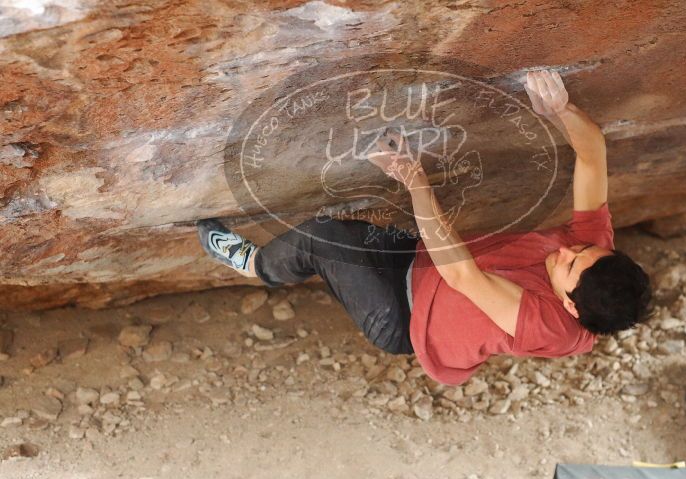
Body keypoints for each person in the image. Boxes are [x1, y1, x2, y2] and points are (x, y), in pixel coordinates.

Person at [197, 69, 652, 386]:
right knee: (343, 228)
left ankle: (257, 265)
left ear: (571, 308)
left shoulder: (552, 327)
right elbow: (593, 152)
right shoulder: (594, 257)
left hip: (407, 316)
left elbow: (461, 276)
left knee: (325, 237)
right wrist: (560, 109)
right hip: (420, 260)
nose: (568, 251)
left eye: (569, 267)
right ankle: (295, 260)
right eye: (584, 251)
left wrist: (413, 178)